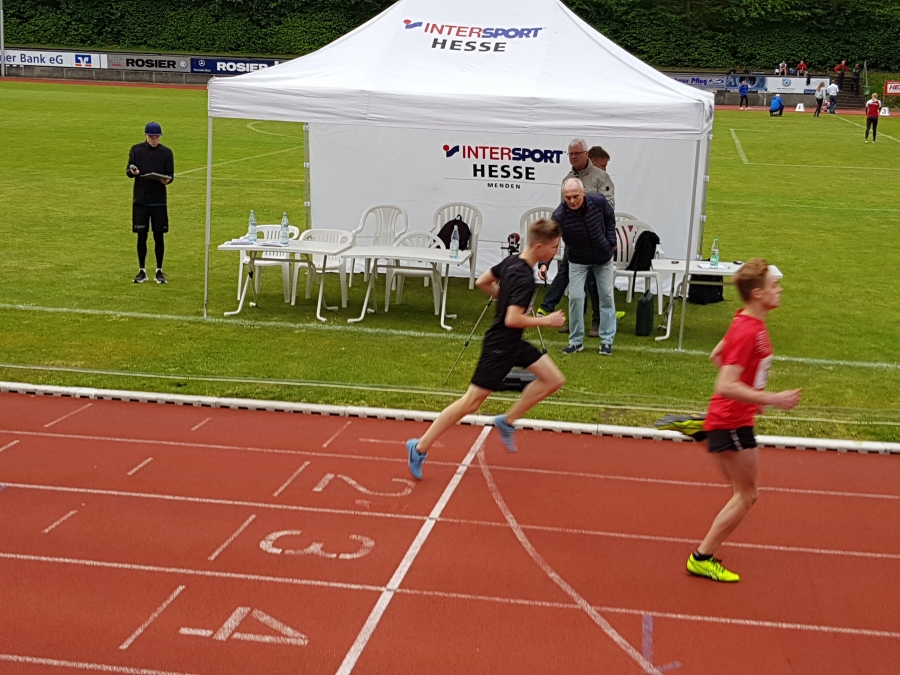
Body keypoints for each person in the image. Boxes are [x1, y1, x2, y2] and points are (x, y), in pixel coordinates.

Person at [405, 219, 566, 479]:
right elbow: (512, 319)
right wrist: (545, 320)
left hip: (514, 343)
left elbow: (482, 281)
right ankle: (419, 447)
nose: (556, 252)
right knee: (470, 403)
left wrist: (502, 297)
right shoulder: (524, 276)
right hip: (499, 347)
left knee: (554, 379)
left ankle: (507, 420)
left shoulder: (512, 262)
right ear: (539, 246)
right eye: (554, 247)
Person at [686, 259, 801, 582]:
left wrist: (752, 392)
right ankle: (702, 557)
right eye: (773, 287)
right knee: (747, 494)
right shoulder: (748, 330)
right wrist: (771, 398)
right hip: (732, 421)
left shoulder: (747, 322)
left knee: (742, 489)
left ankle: (705, 431)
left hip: (732, 417)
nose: (779, 290)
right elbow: (724, 383)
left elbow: (717, 355)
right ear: (757, 294)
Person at [536, 139, 613, 338]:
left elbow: (609, 210)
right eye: (570, 154)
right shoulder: (567, 179)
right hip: (575, 241)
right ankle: (574, 325)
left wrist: (608, 241)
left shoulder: (600, 176)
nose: (573, 157)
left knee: (598, 288)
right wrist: (544, 262)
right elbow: (560, 221)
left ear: (586, 154)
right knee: (575, 290)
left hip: (598, 242)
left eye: (576, 153)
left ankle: (598, 323)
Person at [555, 178, 617, 356]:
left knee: (606, 295)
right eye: (567, 198)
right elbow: (551, 240)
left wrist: (610, 242)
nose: (572, 201)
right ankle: (575, 341)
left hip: (602, 256)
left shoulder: (598, 201)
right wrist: (544, 264)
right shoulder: (559, 216)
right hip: (577, 259)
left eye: (575, 196)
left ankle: (606, 340)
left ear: (583, 192)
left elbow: (610, 218)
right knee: (575, 297)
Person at [127, 122, 174, 284]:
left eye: (157, 137)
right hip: (140, 199)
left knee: (159, 236)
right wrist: (134, 172)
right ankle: (142, 270)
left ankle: (159, 270)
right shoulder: (136, 150)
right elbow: (129, 171)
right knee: (141, 236)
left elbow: (170, 175)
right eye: (152, 137)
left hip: (158, 201)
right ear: (145, 135)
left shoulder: (166, 153)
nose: (155, 140)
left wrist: (166, 180)